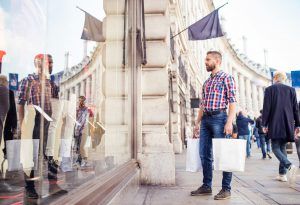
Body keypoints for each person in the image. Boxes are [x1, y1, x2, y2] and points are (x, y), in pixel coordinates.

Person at [18, 54, 66, 198]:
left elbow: (56, 106)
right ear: (38, 64)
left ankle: (53, 184)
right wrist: (22, 125)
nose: (51, 65)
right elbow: (21, 104)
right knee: (30, 155)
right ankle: (29, 187)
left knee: (51, 152)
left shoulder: (53, 85)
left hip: (49, 122)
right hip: (34, 121)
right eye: (48, 63)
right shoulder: (28, 81)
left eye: (52, 62)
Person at [191, 51, 236, 200]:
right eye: (205, 59)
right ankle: (206, 186)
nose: (205, 61)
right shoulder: (206, 82)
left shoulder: (226, 78)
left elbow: (232, 101)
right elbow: (202, 105)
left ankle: (226, 188)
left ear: (217, 61)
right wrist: (197, 123)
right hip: (206, 120)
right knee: (204, 154)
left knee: (223, 154)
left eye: (208, 59)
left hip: (220, 118)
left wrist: (229, 121)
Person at [262, 71, 300, 184]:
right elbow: (295, 109)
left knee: (275, 148)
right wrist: (298, 124)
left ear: (275, 78)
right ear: (283, 78)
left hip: (275, 122)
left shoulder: (270, 90)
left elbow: (266, 108)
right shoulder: (291, 90)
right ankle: (282, 175)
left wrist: (264, 123)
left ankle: (289, 166)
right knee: (282, 147)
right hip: (288, 123)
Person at [74, 96, 93, 167]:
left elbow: (91, 117)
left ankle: (85, 160)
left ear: (84, 101)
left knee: (82, 146)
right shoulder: (77, 109)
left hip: (84, 129)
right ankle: (79, 160)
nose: (79, 102)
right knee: (78, 146)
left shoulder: (87, 110)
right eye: (79, 100)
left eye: (81, 101)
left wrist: (90, 129)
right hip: (77, 129)